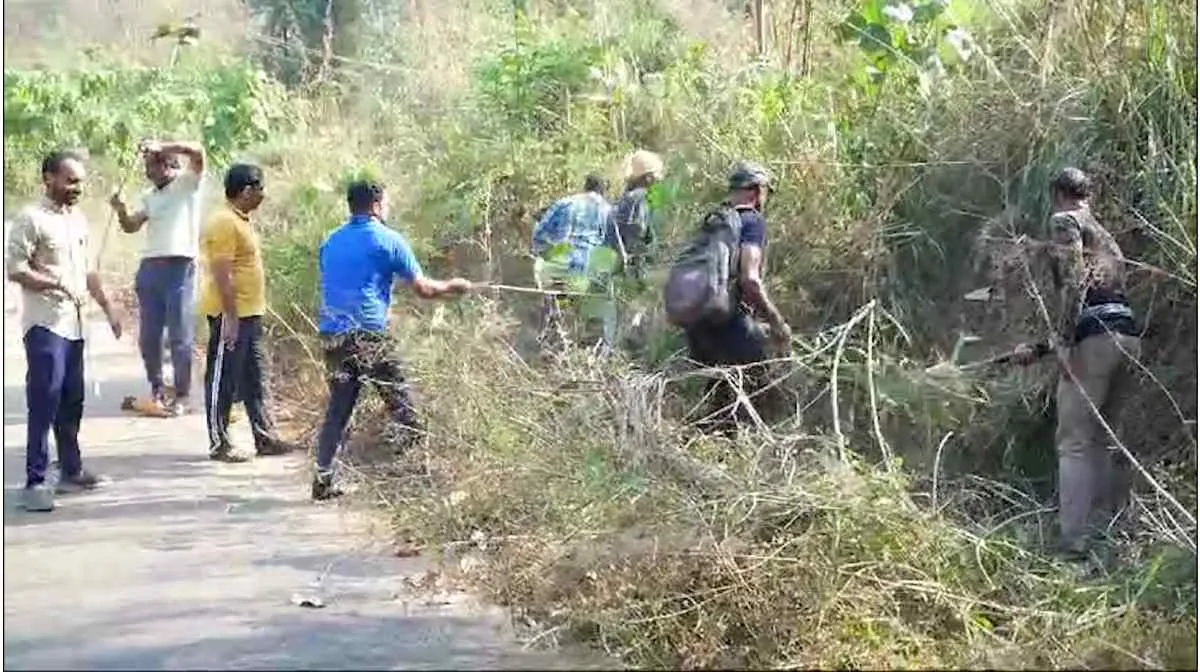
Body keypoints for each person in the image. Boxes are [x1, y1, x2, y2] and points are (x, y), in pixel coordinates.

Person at [311, 180, 472, 500]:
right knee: (403, 405)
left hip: (333, 336)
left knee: (339, 409)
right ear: (375, 205)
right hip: (369, 335)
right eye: (385, 203)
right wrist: (455, 287)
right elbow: (425, 289)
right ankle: (423, 479)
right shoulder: (388, 240)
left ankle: (323, 477)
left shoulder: (330, 241)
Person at [1011, 167, 1141, 557]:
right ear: (1089, 194)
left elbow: (1072, 283)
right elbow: (1103, 299)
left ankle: (1074, 543)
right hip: (1127, 339)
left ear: (1057, 194)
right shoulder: (1106, 237)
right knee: (1100, 440)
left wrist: (1065, 344)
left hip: (1093, 342)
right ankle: (1104, 535)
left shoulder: (1065, 221)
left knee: (1074, 444)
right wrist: (1041, 347)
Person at [6, 150, 122, 512]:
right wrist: (52, 284)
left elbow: (88, 273)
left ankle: (72, 470)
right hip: (45, 326)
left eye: (80, 182)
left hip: (75, 326)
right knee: (45, 402)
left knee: (72, 401)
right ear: (49, 179)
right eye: (70, 180)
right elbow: (15, 268)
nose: (77, 188)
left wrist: (108, 306)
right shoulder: (31, 218)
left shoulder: (78, 221)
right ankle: (35, 481)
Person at [682, 161, 791, 435]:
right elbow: (750, 280)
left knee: (720, 397)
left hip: (697, 323)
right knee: (756, 389)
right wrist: (777, 322)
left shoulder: (712, 221)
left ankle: (708, 452)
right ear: (757, 191)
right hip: (729, 321)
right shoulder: (752, 220)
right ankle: (748, 453)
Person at [199, 163, 295, 463]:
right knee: (222, 377)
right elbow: (221, 273)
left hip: (250, 313)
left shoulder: (240, 220)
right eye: (261, 188)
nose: (264, 195)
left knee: (254, 377)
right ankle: (219, 442)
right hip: (231, 314)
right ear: (246, 190)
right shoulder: (224, 222)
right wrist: (230, 317)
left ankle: (263, 437)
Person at [109, 139, 206, 416]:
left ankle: (183, 394)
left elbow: (198, 151)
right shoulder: (150, 196)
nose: (148, 171)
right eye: (148, 165)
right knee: (149, 337)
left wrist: (163, 145)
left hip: (179, 267)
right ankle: (158, 389)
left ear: (169, 165)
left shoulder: (187, 185)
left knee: (180, 335)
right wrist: (120, 209)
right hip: (150, 268)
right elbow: (130, 226)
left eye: (152, 164)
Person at [530, 174, 612, 349]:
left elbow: (539, 235)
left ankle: (552, 341)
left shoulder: (565, 203)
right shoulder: (609, 211)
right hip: (589, 273)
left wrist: (544, 253)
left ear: (585, 186)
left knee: (555, 304)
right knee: (589, 315)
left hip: (558, 268)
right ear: (604, 191)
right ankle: (586, 351)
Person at [601, 150, 665, 348]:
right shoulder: (640, 198)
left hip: (617, 266)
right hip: (633, 268)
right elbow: (636, 232)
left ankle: (616, 354)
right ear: (648, 177)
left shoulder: (625, 199)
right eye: (656, 176)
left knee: (620, 316)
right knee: (633, 315)